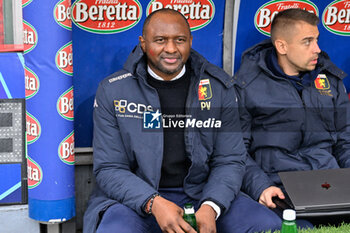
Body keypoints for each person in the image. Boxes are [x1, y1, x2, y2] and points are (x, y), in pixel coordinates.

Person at [83, 8, 282, 233]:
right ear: (143, 42)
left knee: (268, 226)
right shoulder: (113, 90)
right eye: (160, 40)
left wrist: (212, 206)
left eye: (180, 40)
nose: (171, 49)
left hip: (202, 194)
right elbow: (110, 168)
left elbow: (230, 159)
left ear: (190, 41)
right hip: (136, 201)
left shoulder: (218, 88)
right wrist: (153, 202)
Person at [234, 8, 350, 225]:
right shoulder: (246, 86)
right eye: (307, 42)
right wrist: (261, 186)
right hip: (279, 189)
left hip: (329, 184)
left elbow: (346, 139)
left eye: (316, 40)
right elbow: (235, 150)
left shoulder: (330, 79)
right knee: (296, 227)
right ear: (282, 46)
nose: (317, 49)